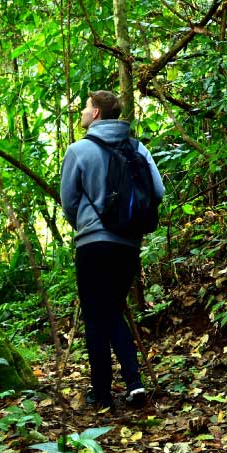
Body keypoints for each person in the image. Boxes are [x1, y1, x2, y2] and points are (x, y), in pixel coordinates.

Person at [60, 90, 165, 410]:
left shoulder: (78, 150)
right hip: (128, 245)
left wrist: (87, 223)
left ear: (96, 113)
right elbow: (158, 191)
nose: (81, 111)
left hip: (93, 244)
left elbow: (69, 203)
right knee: (112, 310)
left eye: (85, 107)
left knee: (96, 315)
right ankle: (133, 384)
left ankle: (103, 392)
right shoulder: (137, 147)